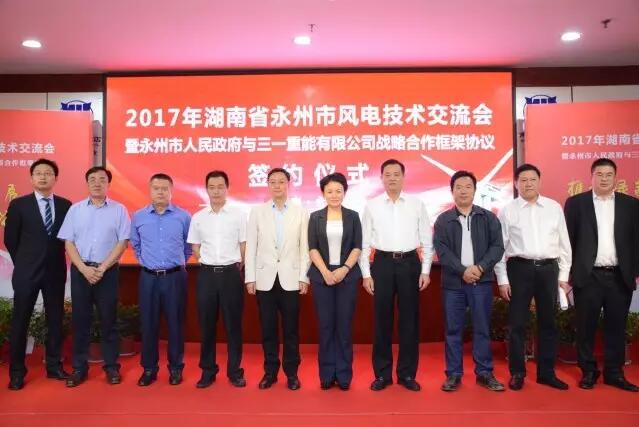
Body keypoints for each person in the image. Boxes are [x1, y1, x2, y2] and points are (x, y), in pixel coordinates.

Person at [494, 163, 572, 391]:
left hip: (549, 269)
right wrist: (502, 279)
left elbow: (564, 244)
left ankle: (546, 373)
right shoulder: (508, 210)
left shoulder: (553, 207)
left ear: (540, 181)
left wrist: (563, 275)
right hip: (519, 269)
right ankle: (517, 373)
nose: (528, 184)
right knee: (517, 323)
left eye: (532, 179)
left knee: (548, 323)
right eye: (523, 180)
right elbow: (500, 248)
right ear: (516, 184)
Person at [564, 158, 639, 392]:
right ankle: (588, 371)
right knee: (585, 327)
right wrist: (568, 274)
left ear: (616, 177)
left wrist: (634, 271)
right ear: (592, 176)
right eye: (600, 174)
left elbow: (636, 241)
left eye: (609, 174)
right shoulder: (576, 203)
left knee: (616, 327)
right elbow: (568, 241)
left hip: (619, 276)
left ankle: (614, 373)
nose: (604, 179)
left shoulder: (631, 204)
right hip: (588, 276)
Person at [360, 159, 433, 392]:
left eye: (396, 174)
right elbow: (364, 243)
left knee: (409, 321)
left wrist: (425, 270)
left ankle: (407, 374)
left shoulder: (416, 204)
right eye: (387, 174)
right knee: (382, 320)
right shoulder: (372, 205)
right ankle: (382, 374)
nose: (392, 178)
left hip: (410, 263)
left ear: (403, 177)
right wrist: (366, 274)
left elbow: (427, 239)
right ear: (381, 178)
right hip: (381, 264)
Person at [58, 166, 130, 387]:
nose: (97, 183)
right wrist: (83, 268)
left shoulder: (119, 210)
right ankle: (79, 368)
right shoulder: (75, 210)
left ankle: (111, 367)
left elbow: (123, 242)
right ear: (87, 183)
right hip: (81, 272)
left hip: (107, 272)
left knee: (109, 320)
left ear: (108, 184)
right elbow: (68, 242)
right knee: (80, 321)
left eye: (102, 179)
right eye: (92, 179)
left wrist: (102, 267)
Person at [433, 170, 505, 392]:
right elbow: (442, 251)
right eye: (459, 187)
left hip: (481, 282)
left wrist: (480, 268)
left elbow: (497, 247)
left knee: (482, 328)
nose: (463, 191)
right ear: (452, 191)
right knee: (453, 330)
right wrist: (462, 270)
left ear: (475, 190)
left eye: (468, 187)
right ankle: (453, 374)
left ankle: (484, 373)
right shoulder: (443, 220)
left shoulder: (488, 217)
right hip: (453, 284)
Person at [4, 159, 72, 390]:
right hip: (27, 273)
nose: (43, 177)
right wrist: (24, 263)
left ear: (55, 178)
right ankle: (16, 372)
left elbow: (68, 238)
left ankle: (54, 366)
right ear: (31, 178)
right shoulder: (19, 205)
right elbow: (10, 240)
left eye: (48, 173)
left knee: (55, 320)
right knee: (20, 321)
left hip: (55, 272)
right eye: (38, 173)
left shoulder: (65, 205)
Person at [245, 167, 310, 391]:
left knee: (291, 330)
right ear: (268, 185)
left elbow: (304, 247)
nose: (277, 186)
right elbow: (251, 246)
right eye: (272, 182)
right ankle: (270, 372)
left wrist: (304, 277)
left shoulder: (301, 212)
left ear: (288, 184)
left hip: (291, 279)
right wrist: (250, 278)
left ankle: (292, 373)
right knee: (268, 329)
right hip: (265, 279)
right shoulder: (257, 212)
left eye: (281, 181)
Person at [187, 171, 247, 388]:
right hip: (207, 275)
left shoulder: (239, 215)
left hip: (231, 274)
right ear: (207, 189)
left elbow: (244, 244)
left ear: (227, 188)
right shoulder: (198, 217)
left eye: (220, 187)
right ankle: (208, 371)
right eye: (212, 187)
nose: (216, 191)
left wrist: (237, 265)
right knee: (206, 325)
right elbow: (195, 246)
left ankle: (235, 371)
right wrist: (206, 261)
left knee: (233, 325)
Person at [130, 173, 191, 387]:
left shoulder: (184, 216)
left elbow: (188, 246)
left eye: (165, 188)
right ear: (150, 190)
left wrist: (176, 263)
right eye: (156, 188)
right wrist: (146, 262)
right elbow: (135, 244)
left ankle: (175, 368)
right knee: (148, 324)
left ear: (171, 191)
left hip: (175, 277)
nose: (160, 192)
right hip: (148, 278)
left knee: (176, 324)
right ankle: (149, 369)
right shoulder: (138, 216)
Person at [307, 172, 362, 391]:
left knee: (344, 326)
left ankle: (344, 374)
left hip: (347, 275)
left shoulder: (353, 216)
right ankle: (327, 374)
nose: (334, 195)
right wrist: (325, 272)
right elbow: (312, 248)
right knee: (326, 326)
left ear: (344, 192)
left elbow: (357, 246)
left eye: (338, 191)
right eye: (329, 191)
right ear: (323, 193)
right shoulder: (315, 217)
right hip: (322, 277)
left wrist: (344, 269)